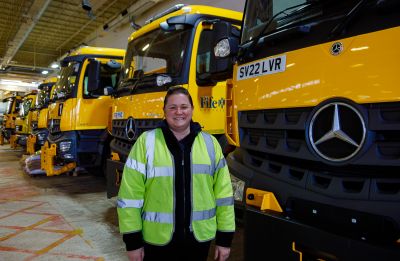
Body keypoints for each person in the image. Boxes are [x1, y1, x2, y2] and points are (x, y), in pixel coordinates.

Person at [117, 86, 235, 261]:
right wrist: (133, 242)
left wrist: (224, 239)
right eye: (172, 107)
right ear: (164, 110)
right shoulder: (146, 143)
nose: (178, 112)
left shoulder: (211, 145)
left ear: (192, 110)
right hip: (157, 242)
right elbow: (129, 197)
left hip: (198, 241)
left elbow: (224, 196)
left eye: (184, 107)